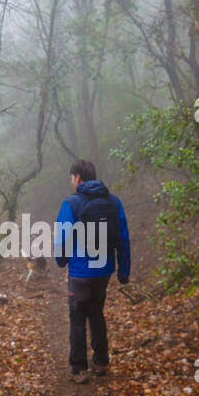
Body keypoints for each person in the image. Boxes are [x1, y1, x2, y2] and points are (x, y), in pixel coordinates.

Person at [54, 159, 130, 383]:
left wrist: (61, 260)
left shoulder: (71, 203)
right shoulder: (114, 202)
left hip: (80, 272)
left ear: (77, 177)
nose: (71, 182)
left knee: (77, 317)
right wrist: (123, 270)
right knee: (96, 313)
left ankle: (79, 369)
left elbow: (63, 237)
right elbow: (123, 238)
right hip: (104, 271)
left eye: (71, 178)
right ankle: (101, 361)